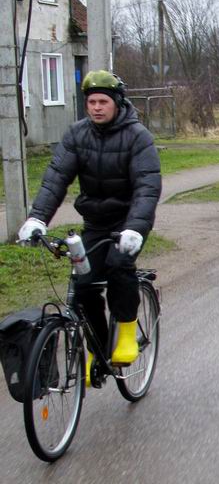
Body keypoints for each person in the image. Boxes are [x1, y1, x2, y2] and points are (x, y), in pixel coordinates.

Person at [17, 70, 162, 375]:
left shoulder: (138, 137)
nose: (96, 107)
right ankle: (98, 348)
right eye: (91, 102)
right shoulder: (76, 135)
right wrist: (36, 218)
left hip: (129, 221)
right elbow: (56, 179)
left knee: (119, 266)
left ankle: (125, 334)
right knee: (83, 286)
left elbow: (147, 187)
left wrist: (135, 227)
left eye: (103, 101)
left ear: (117, 103)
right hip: (96, 223)